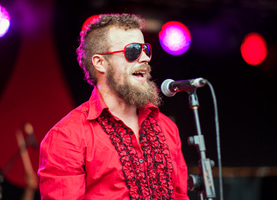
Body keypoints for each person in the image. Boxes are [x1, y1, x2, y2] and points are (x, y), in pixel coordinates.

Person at [38, 13, 189, 200]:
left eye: (146, 50)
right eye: (132, 51)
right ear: (100, 63)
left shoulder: (167, 128)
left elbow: (181, 195)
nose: (144, 58)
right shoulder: (67, 136)